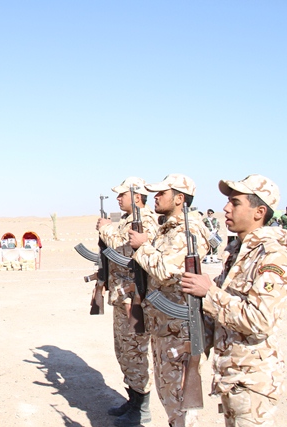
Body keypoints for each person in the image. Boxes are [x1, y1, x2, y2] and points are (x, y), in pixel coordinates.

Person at [181, 174, 287, 426]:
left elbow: (260, 320)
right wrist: (196, 351)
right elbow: (219, 313)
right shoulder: (238, 252)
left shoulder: (272, 255)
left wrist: (209, 292)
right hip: (231, 377)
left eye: (235, 202)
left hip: (253, 383)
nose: (226, 208)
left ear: (259, 212)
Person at [127, 173, 211, 427]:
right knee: (169, 396)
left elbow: (165, 270)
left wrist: (142, 246)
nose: (156, 197)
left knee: (181, 401)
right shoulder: (168, 229)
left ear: (179, 198)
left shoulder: (189, 230)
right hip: (164, 326)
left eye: (162, 193)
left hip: (179, 329)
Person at [96, 177, 159, 426]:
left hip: (136, 298)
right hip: (122, 296)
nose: (118, 198)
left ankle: (142, 409)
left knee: (135, 352)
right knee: (123, 350)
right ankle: (133, 400)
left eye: (122, 194)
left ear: (137, 196)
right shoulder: (125, 220)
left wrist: (105, 228)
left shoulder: (147, 220)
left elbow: (124, 249)